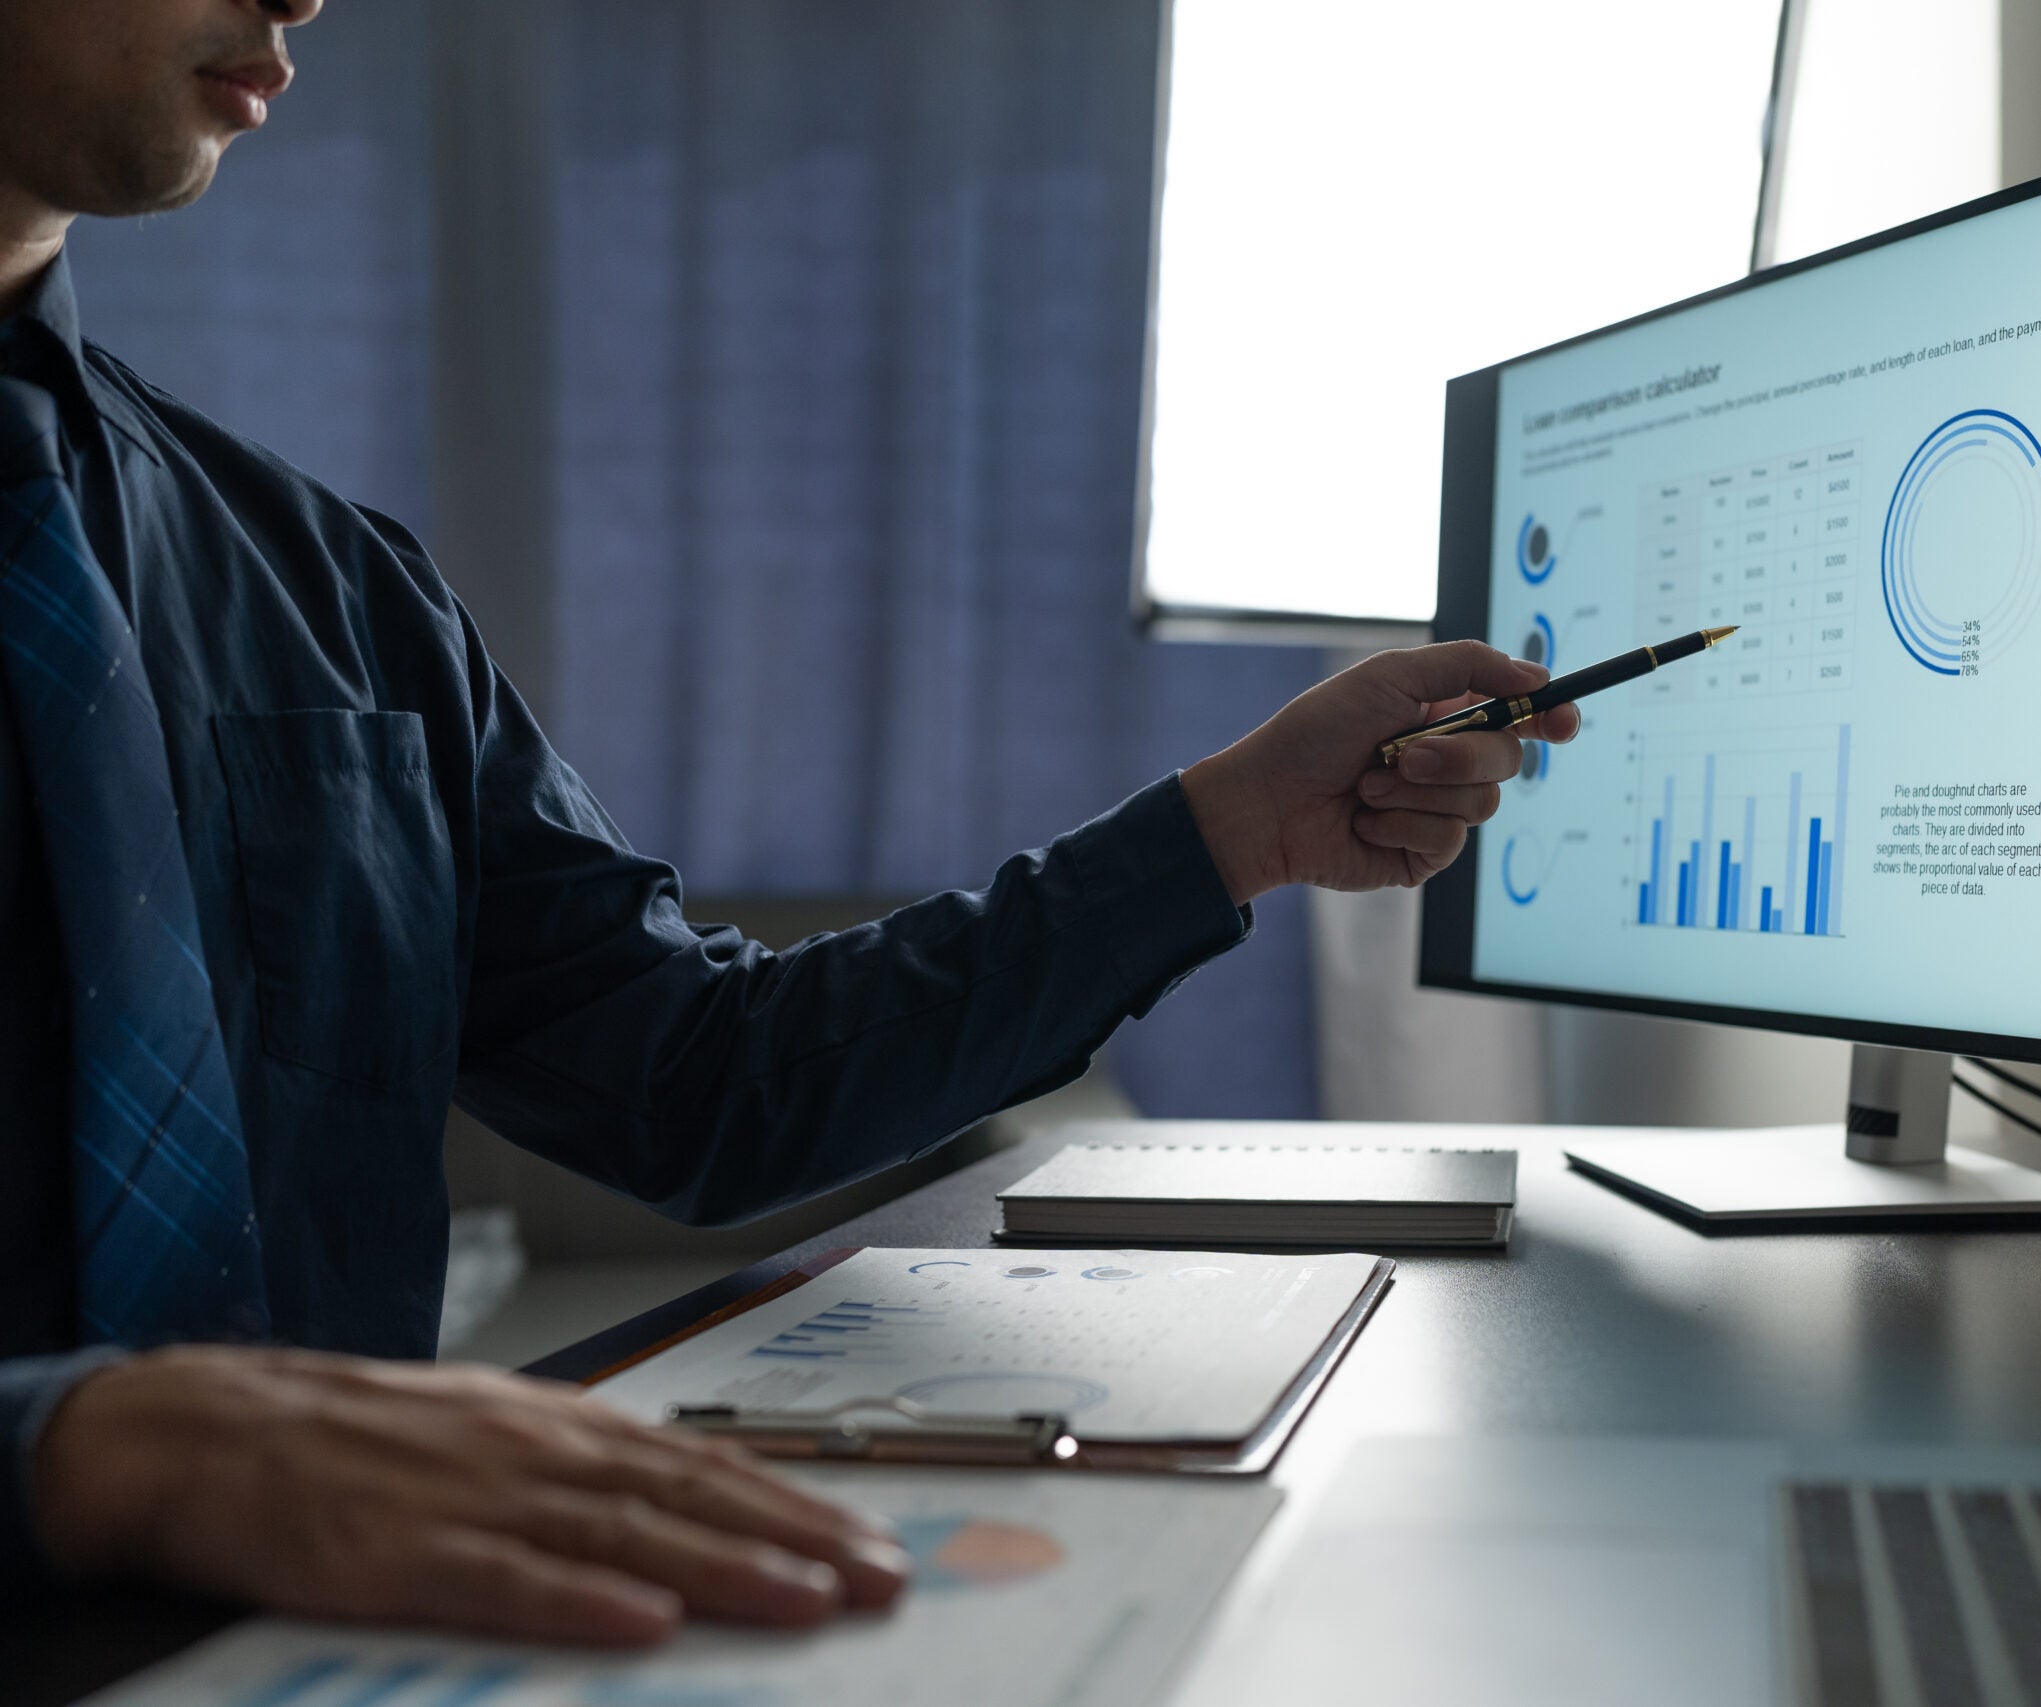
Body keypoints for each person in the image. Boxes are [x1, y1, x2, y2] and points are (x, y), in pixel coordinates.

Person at [0, 0, 1577, 1650]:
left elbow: (704, 1086)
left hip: (338, 1659)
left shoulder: (325, 587)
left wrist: (1233, 828)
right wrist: (79, 1453)